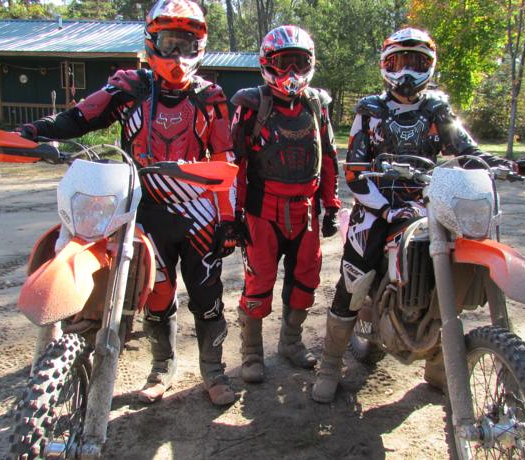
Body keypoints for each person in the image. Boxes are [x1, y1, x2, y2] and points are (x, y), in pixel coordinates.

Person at [18, 0, 241, 406]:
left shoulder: (212, 95)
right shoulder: (128, 86)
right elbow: (79, 117)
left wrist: (229, 217)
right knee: (157, 295)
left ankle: (214, 372)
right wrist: (34, 132)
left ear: (201, 46)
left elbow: (226, 158)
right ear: (152, 41)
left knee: (207, 297)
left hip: (200, 212)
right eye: (169, 42)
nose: (177, 54)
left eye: (187, 44)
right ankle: (162, 367)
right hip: (143, 209)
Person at [311, 27, 525, 403]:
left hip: (429, 204)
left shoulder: (437, 108)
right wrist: (384, 206)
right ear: (385, 66)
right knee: (354, 278)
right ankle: (330, 364)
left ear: (429, 67)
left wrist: (507, 165)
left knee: (447, 273)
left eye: (416, 62)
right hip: (377, 205)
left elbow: (467, 151)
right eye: (398, 62)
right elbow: (353, 169)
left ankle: (439, 362)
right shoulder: (370, 109)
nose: (406, 72)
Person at [229, 25, 341, 383]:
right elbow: (237, 165)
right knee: (258, 282)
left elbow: (329, 158)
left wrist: (332, 205)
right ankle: (251, 353)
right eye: (283, 63)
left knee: (306, 279)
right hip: (263, 212)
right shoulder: (251, 105)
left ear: (310, 64)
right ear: (267, 63)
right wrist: (234, 215)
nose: (291, 73)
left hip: (306, 210)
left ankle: (290, 343)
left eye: (299, 63)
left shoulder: (317, 105)